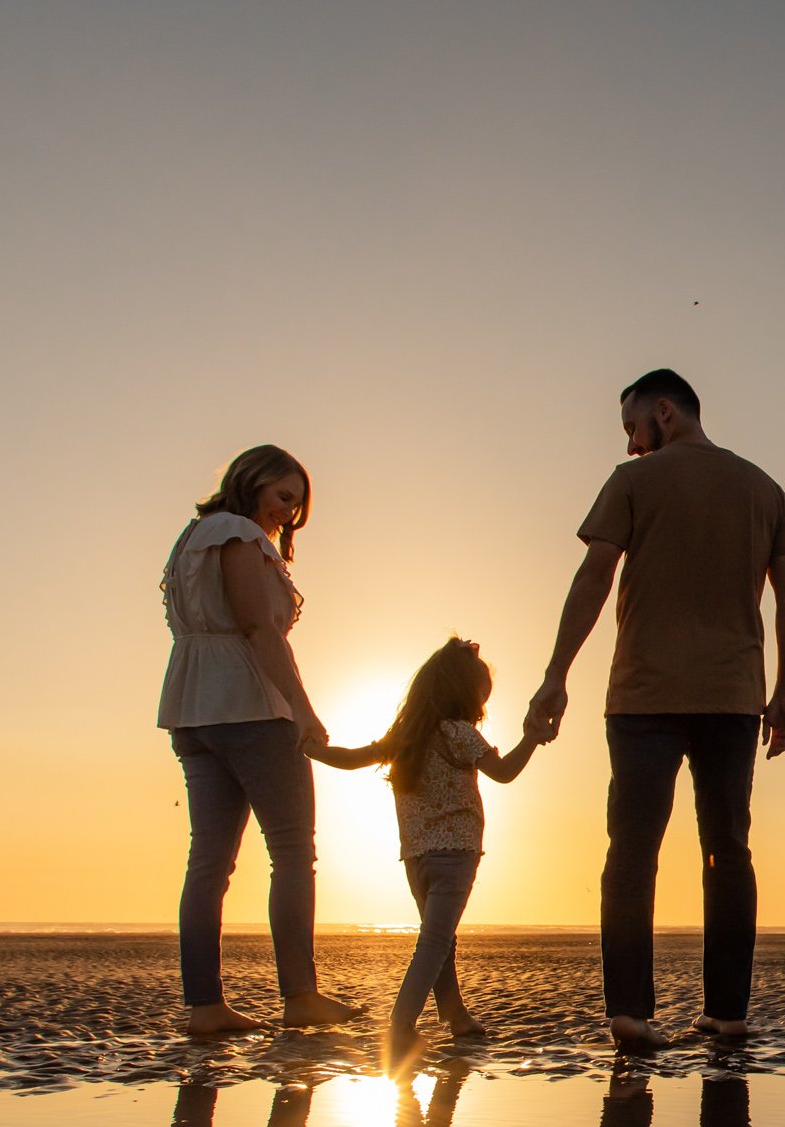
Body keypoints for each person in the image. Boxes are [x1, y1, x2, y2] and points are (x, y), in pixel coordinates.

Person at [525, 370, 785, 1051]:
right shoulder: (764, 488)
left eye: (632, 427)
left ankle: (629, 1012)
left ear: (663, 411)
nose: (630, 445)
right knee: (727, 850)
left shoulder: (632, 484)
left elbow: (593, 576)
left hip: (644, 696)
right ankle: (728, 1012)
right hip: (732, 696)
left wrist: (554, 675)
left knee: (632, 850)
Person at [157, 446, 359, 1035]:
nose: (287, 518)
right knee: (293, 850)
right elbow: (257, 628)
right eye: (283, 499)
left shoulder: (190, 537)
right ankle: (300, 995)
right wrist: (303, 712)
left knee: (209, 862)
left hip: (193, 705)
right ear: (252, 485)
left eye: (295, 508)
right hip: (249, 703)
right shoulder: (238, 534)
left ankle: (204, 1006)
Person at [310, 638, 542, 1050]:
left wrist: (312, 750)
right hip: (456, 856)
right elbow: (504, 773)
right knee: (435, 941)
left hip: (415, 858)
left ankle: (455, 1014)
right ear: (466, 694)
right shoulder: (461, 734)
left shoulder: (407, 736)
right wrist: (532, 738)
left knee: (440, 939)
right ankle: (400, 1025)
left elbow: (350, 758)